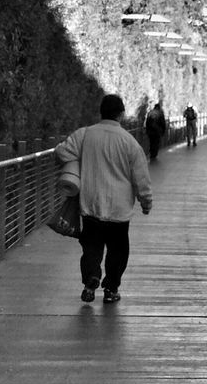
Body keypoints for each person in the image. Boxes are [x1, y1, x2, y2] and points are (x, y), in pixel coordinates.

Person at [55, 94, 153, 304]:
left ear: (101, 112)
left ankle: (92, 277)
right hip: (119, 209)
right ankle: (111, 289)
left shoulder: (85, 135)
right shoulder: (130, 142)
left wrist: (78, 163)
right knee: (118, 250)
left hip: (91, 204)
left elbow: (61, 152)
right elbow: (141, 176)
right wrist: (145, 202)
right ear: (121, 114)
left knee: (91, 247)